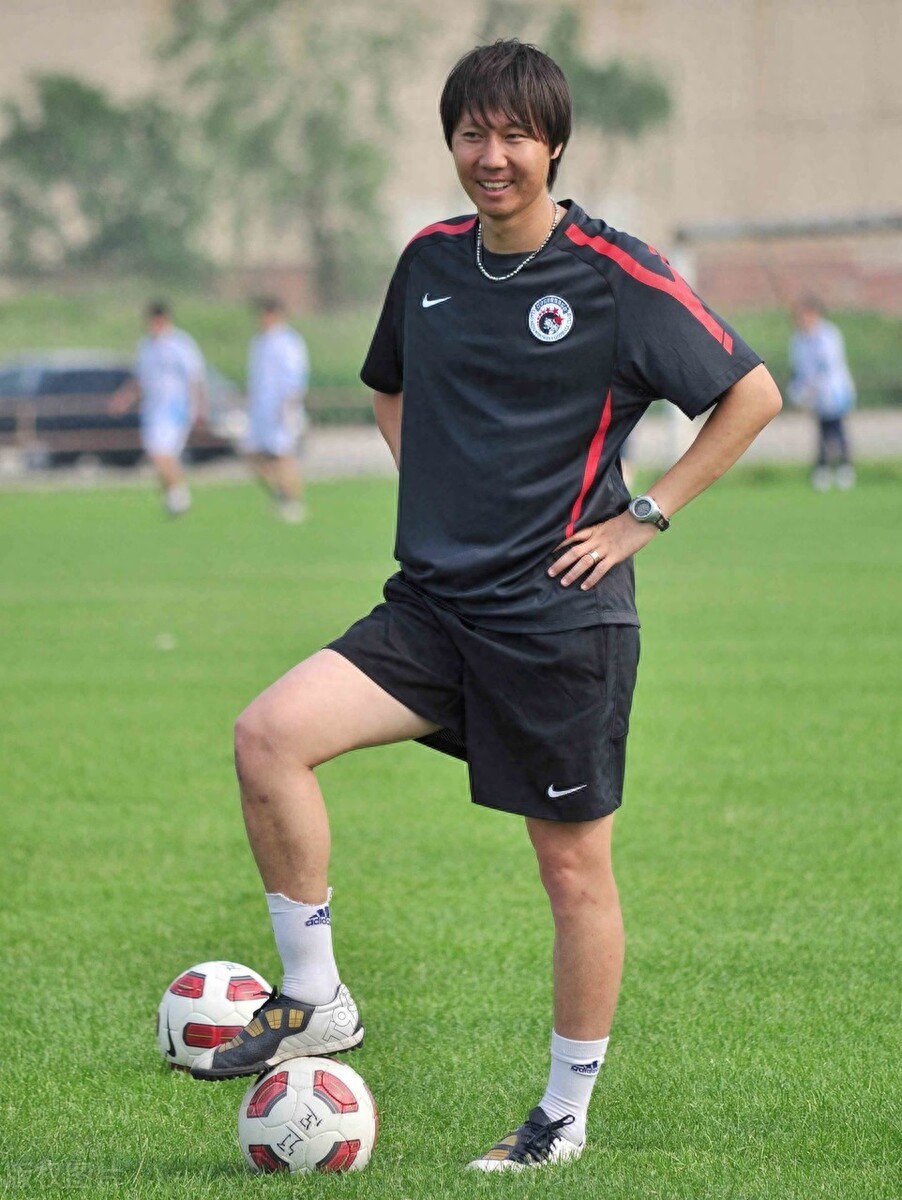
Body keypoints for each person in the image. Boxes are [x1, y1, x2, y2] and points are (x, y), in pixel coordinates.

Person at [190, 40, 783, 1171]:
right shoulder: (427, 260)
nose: (492, 156)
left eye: (515, 135)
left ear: (553, 145)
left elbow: (749, 394)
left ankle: (562, 1115)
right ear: (451, 143)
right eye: (473, 134)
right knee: (267, 736)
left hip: (558, 624)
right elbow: (386, 385)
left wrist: (641, 517)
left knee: (571, 873)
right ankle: (315, 997)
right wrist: (441, 490)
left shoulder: (613, 274)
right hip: (428, 609)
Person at [110, 301, 206, 515]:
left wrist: (199, 407)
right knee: (160, 455)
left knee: (161, 453)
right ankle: (174, 495)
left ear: (165, 320)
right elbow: (140, 379)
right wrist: (124, 398)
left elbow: (195, 377)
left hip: (176, 407)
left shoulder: (180, 344)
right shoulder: (146, 346)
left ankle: (179, 496)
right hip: (153, 409)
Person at [245, 296, 310, 522]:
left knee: (284, 455)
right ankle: (282, 495)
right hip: (260, 410)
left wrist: (288, 406)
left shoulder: (289, 342)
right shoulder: (259, 342)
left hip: (282, 408)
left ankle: (294, 503)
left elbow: (295, 377)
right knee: (253, 456)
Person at [788, 296, 856, 490]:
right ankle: (822, 468)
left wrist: (811, 386)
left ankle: (845, 468)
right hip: (815, 395)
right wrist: (799, 389)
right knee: (822, 430)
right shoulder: (798, 339)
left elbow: (827, 365)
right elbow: (799, 368)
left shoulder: (828, 335)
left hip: (834, 391)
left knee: (837, 429)